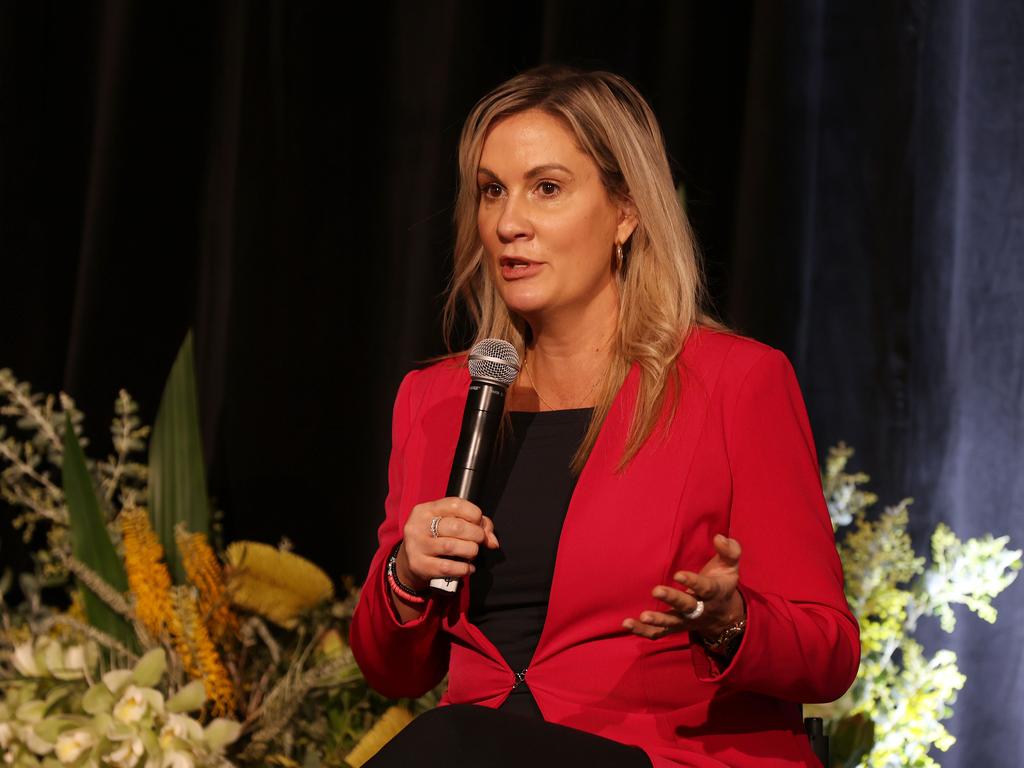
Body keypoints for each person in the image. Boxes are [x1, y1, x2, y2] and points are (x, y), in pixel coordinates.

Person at [349, 65, 860, 768]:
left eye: (547, 188)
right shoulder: (436, 399)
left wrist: (728, 622)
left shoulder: (735, 383)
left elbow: (828, 654)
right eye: (492, 191)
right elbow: (393, 672)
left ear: (626, 210)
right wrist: (404, 576)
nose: (507, 222)